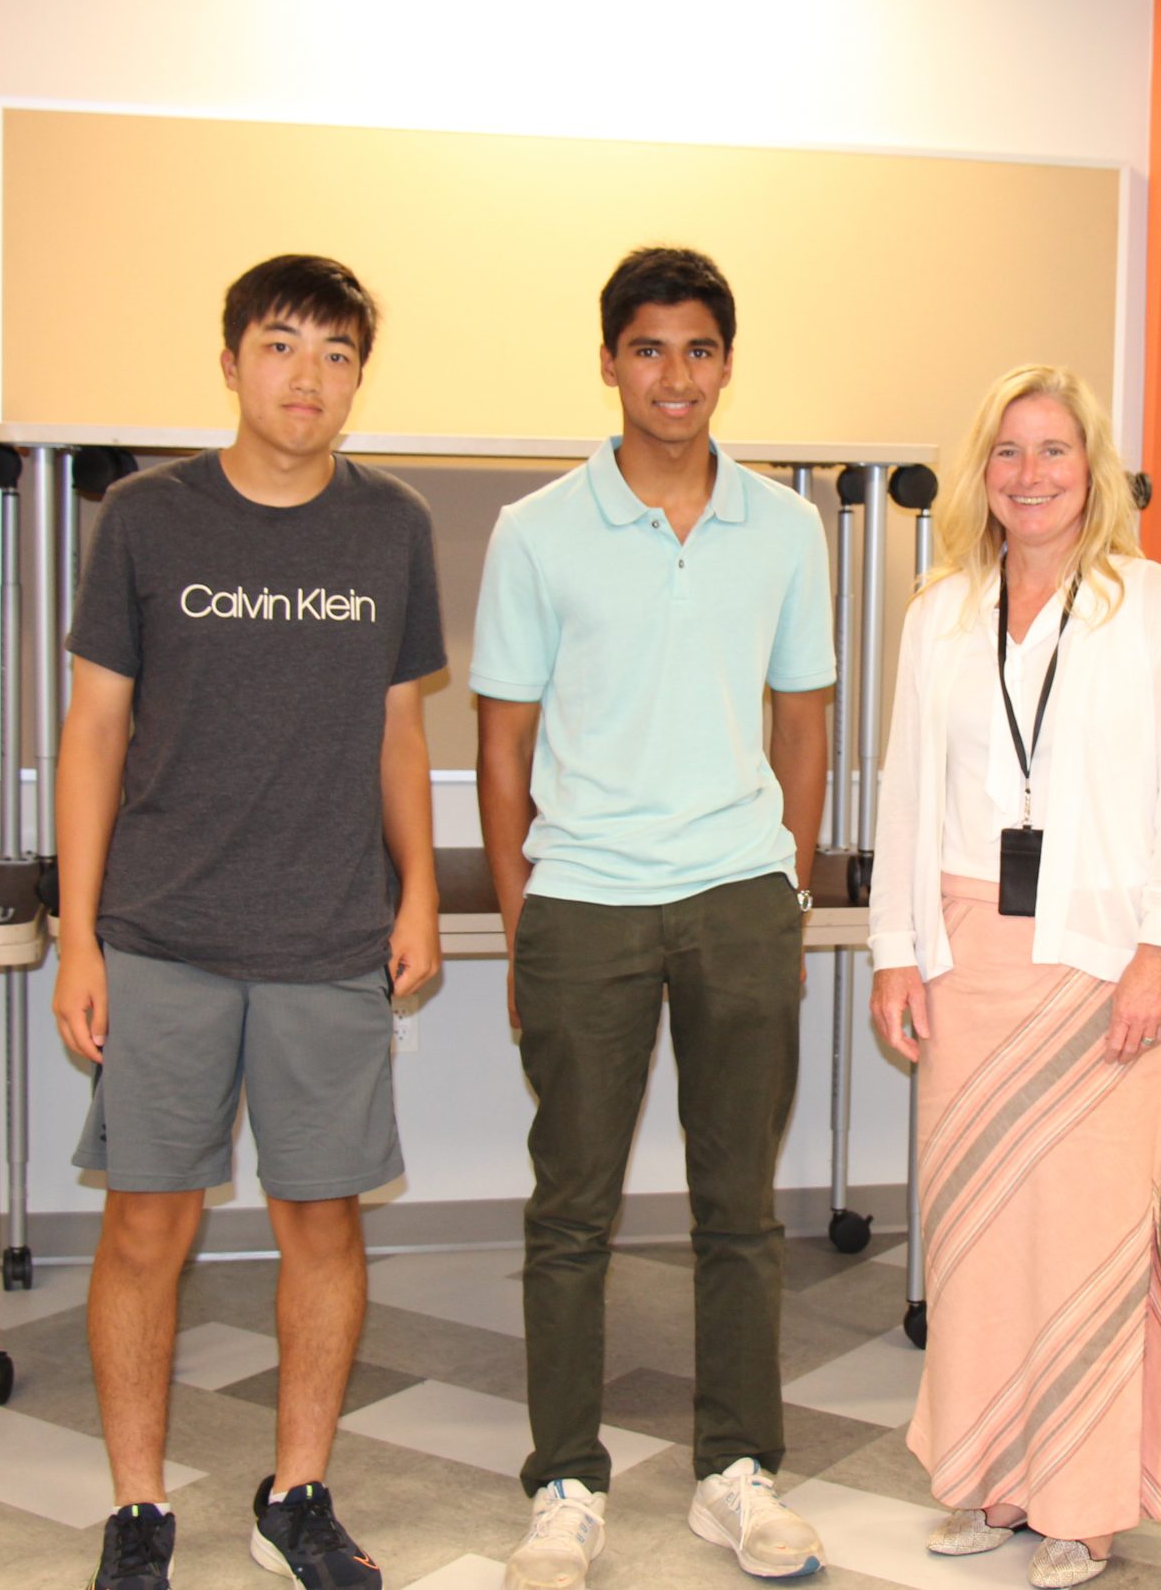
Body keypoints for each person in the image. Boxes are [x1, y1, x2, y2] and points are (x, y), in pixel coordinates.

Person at [54, 254, 445, 1590]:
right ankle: (139, 1507)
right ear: (230, 362)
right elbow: (94, 728)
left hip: (328, 935)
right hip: (161, 932)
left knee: (322, 1223)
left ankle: (298, 1490)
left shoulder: (391, 525)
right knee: (144, 1227)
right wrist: (78, 935)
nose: (308, 378)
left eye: (337, 355)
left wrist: (423, 892)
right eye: (282, 346)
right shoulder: (147, 517)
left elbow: (401, 726)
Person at [473, 246, 835, 1590]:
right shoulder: (537, 531)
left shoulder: (788, 527)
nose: (672, 376)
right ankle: (565, 1483)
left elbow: (804, 715)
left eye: (697, 349)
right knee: (570, 1212)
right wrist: (523, 919)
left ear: (727, 362)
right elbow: (502, 745)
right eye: (647, 348)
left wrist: (786, 879)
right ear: (611, 360)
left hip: (739, 896)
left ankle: (737, 1468)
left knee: (740, 1209)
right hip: (583, 903)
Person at [867, 364, 1161, 1589]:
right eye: (1008, 452)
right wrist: (896, 952)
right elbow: (907, 791)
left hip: (1103, 958)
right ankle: (986, 1476)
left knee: (1089, 1242)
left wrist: (1157, 952)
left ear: (1096, 469)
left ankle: (1080, 1503)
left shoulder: (1157, 606)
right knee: (973, 1237)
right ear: (983, 473)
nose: (1031, 474)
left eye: (1055, 451)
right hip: (970, 957)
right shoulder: (940, 613)